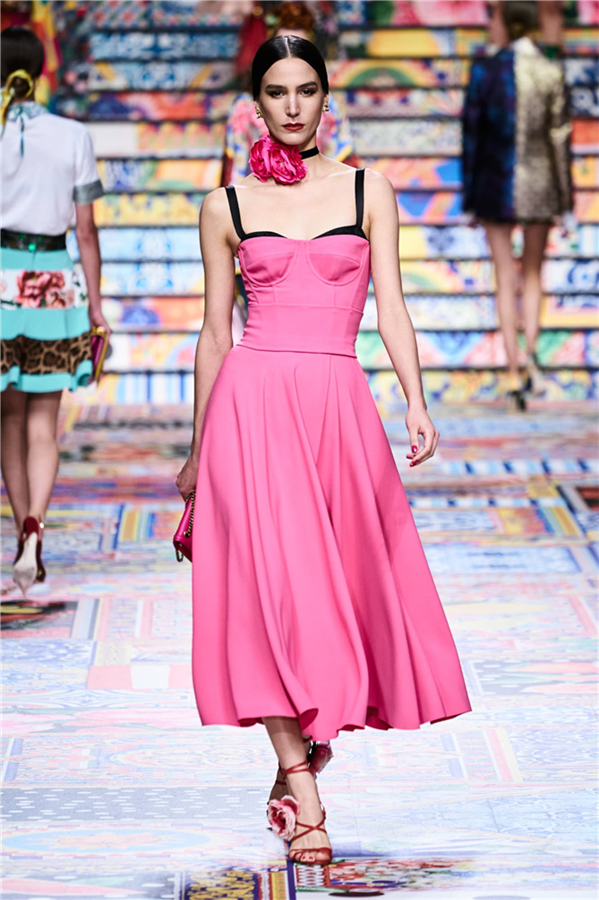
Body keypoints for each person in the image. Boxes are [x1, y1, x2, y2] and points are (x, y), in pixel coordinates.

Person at [177, 36, 471, 866]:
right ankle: (302, 790)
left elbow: (392, 306)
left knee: (338, 594)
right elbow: (213, 334)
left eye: (306, 90)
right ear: (256, 105)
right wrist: (197, 448)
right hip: (250, 411)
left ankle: (303, 752)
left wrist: (414, 399)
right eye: (277, 92)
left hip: (338, 410)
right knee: (264, 597)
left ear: (325, 98)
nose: (292, 106)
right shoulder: (225, 206)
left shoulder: (368, 188)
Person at [0, 26, 109, 598]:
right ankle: (34, 530)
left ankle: (21, 533)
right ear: (41, 71)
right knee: (44, 422)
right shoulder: (73, 135)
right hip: (52, 283)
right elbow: (85, 229)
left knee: (9, 420)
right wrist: (96, 305)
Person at [462, 0, 573, 410]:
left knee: (504, 276)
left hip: (493, 184)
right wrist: (566, 200)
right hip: (541, 184)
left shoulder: (484, 71)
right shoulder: (550, 69)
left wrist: (470, 197)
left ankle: (510, 370)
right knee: (533, 273)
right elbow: (559, 139)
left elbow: (472, 136)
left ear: (507, 24)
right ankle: (530, 358)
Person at [221, 2, 354, 187]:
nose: (291, 56)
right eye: (281, 47)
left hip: (320, 198)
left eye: (300, 49)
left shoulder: (331, 106)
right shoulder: (243, 108)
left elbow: (342, 166)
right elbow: (235, 172)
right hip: (261, 200)